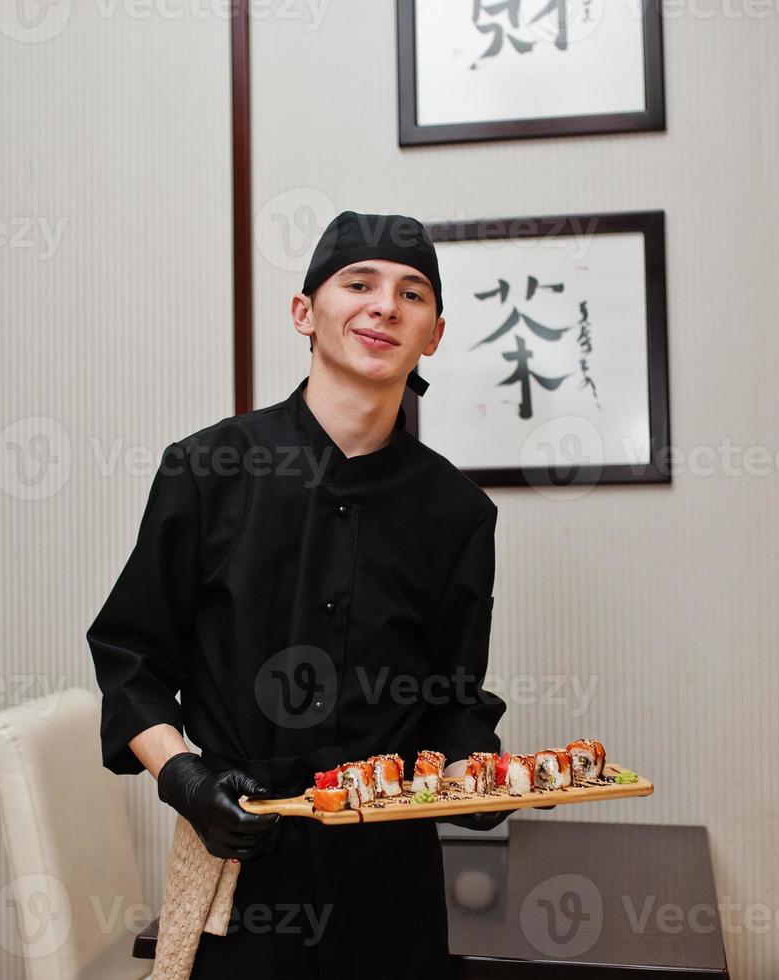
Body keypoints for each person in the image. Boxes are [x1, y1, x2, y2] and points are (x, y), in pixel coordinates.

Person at [87, 210, 507, 978]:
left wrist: (469, 773)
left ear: (433, 336)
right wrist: (187, 779)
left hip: (389, 874)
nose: (385, 306)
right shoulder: (207, 469)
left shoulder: (456, 512)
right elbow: (129, 659)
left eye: (412, 295)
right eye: (359, 284)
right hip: (241, 852)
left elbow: (454, 695)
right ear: (303, 313)